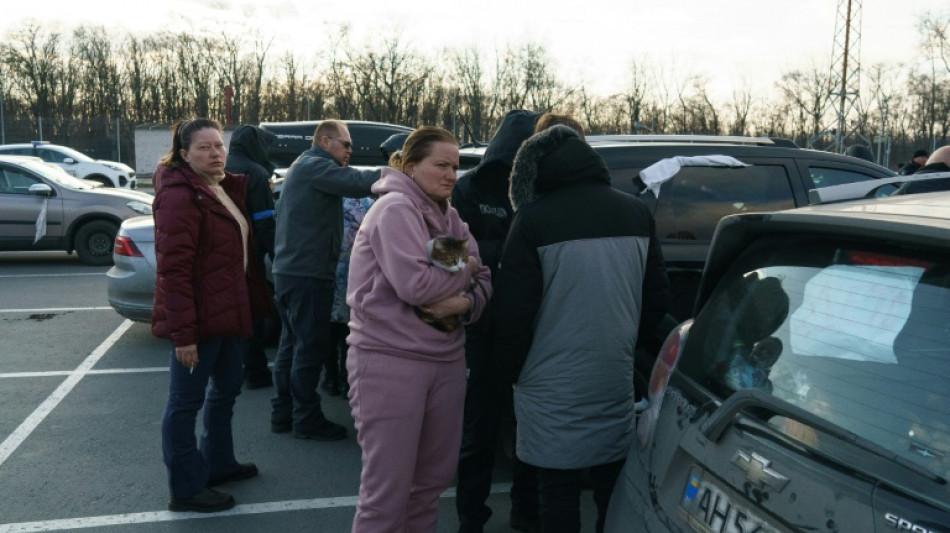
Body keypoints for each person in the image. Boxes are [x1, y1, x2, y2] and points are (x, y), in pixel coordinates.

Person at [492, 124, 671, 533]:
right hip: (612, 374)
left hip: (547, 380)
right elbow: (656, 300)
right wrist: (625, 343)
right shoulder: (637, 212)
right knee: (611, 483)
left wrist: (509, 372)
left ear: (536, 169)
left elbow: (513, 314)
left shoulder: (532, 219)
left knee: (556, 487)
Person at [346, 126, 492, 532]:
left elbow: (485, 280)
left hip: (445, 360)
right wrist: (468, 269)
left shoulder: (451, 217)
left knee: (428, 487)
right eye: (441, 165)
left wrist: (463, 299)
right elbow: (416, 286)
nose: (451, 175)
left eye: (456, 167)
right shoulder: (395, 210)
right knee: (386, 495)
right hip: (389, 361)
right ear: (410, 167)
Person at [152, 117, 270, 513]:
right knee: (185, 404)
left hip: (228, 317)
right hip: (198, 324)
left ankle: (218, 464)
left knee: (225, 392)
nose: (215, 153)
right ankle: (186, 488)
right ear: (184, 155)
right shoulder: (180, 196)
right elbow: (174, 271)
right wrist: (183, 335)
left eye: (218, 145)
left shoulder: (219, 189)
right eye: (204, 148)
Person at [451, 109, 541, 533]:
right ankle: (471, 516)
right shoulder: (468, 188)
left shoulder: (539, 191)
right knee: (479, 430)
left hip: (531, 327)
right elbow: (442, 253)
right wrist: (504, 251)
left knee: (529, 428)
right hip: (481, 326)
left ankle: (525, 508)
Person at [270, 120, 381, 440]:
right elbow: (356, 181)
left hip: (292, 272)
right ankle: (306, 418)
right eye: (346, 145)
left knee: (291, 345)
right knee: (308, 348)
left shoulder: (303, 167)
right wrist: (396, 174)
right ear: (325, 141)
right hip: (307, 274)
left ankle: (284, 412)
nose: (350, 151)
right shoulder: (315, 166)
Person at [225, 124, 278, 389]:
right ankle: (255, 373)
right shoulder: (255, 173)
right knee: (254, 314)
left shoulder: (221, 166)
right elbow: (264, 221)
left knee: (226, 316)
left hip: (221, 256)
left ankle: (229, 371)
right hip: (249, 256)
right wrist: (277, 258)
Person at [322, 195, 374, 397]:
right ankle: (347, 380)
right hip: (356, 272)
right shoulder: (368, 203)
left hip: (328, 270)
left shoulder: (326, 200)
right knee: (349, 329)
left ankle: (330, 378)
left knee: (329, 329)